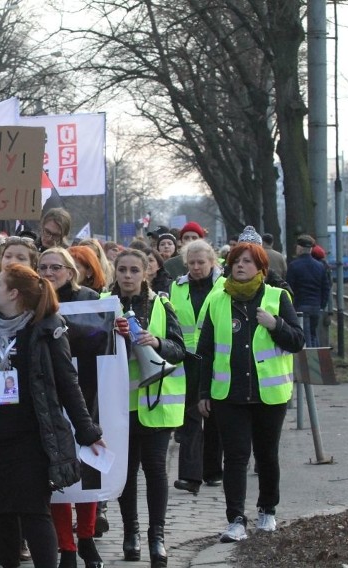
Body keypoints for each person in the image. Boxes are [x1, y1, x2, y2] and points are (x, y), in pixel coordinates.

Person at [0, 263, 105, 568]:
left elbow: (67, 384)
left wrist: (88, 431)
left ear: (14, 294)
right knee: (2, 514)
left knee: (34, 513)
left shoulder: (46, 329)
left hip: (32, 441)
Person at [196, 227, 304, 543]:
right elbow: (205, 351)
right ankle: (236, 520)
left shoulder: (277, 297)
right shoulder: (218, 300)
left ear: (260, 268)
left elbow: (297, 341)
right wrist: (203, 392)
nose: (240, 266)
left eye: (247, 261)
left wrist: (276, 325)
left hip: (269, 395)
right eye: (235, 261)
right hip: (229, 395)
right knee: (236, 457)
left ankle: (267, 510)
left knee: (267, 455)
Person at [110, 249, 185, 567]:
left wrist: (157, 343)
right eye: (122, 270)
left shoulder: (161, 304)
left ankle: (157, 537)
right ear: (115, 272)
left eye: (134, 271)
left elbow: (180, 349)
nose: (127, 276)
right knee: (125, 474)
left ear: (146, 273)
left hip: (155, 402)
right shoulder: (102, 302)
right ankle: (131, 534)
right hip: (118, 403)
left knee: (155, 469)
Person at [36, 247, 105, 568]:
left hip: (85, 391)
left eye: (56, 267)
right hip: (46, 395)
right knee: (57, 471)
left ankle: (87, 538)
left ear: (70, 270)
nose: (49, 273)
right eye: (43, 267)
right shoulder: (32, 299)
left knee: (87, 470)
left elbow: (97, 336)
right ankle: (66, 547)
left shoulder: (89, 296)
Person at [168, 240, 225, 497]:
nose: (196, 267)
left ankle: (213, 470)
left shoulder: (224, 286)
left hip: (216, 356)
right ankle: (190, 476)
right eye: (191, 263)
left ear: (212, 261)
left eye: (201, 262)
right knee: (190, 415)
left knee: (214, 415)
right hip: (189, 358)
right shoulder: (177, 287)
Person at [286, 234, 330, 347]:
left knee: (304, 337)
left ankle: (308, 363)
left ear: (299, 248)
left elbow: (289, 288)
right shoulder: (320, 266)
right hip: (315, 306)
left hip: (300, 306)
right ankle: (316, 362)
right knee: (313, 334)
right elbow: (326, 287)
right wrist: (321, 304)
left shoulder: (294, 266)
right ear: (310, 249)